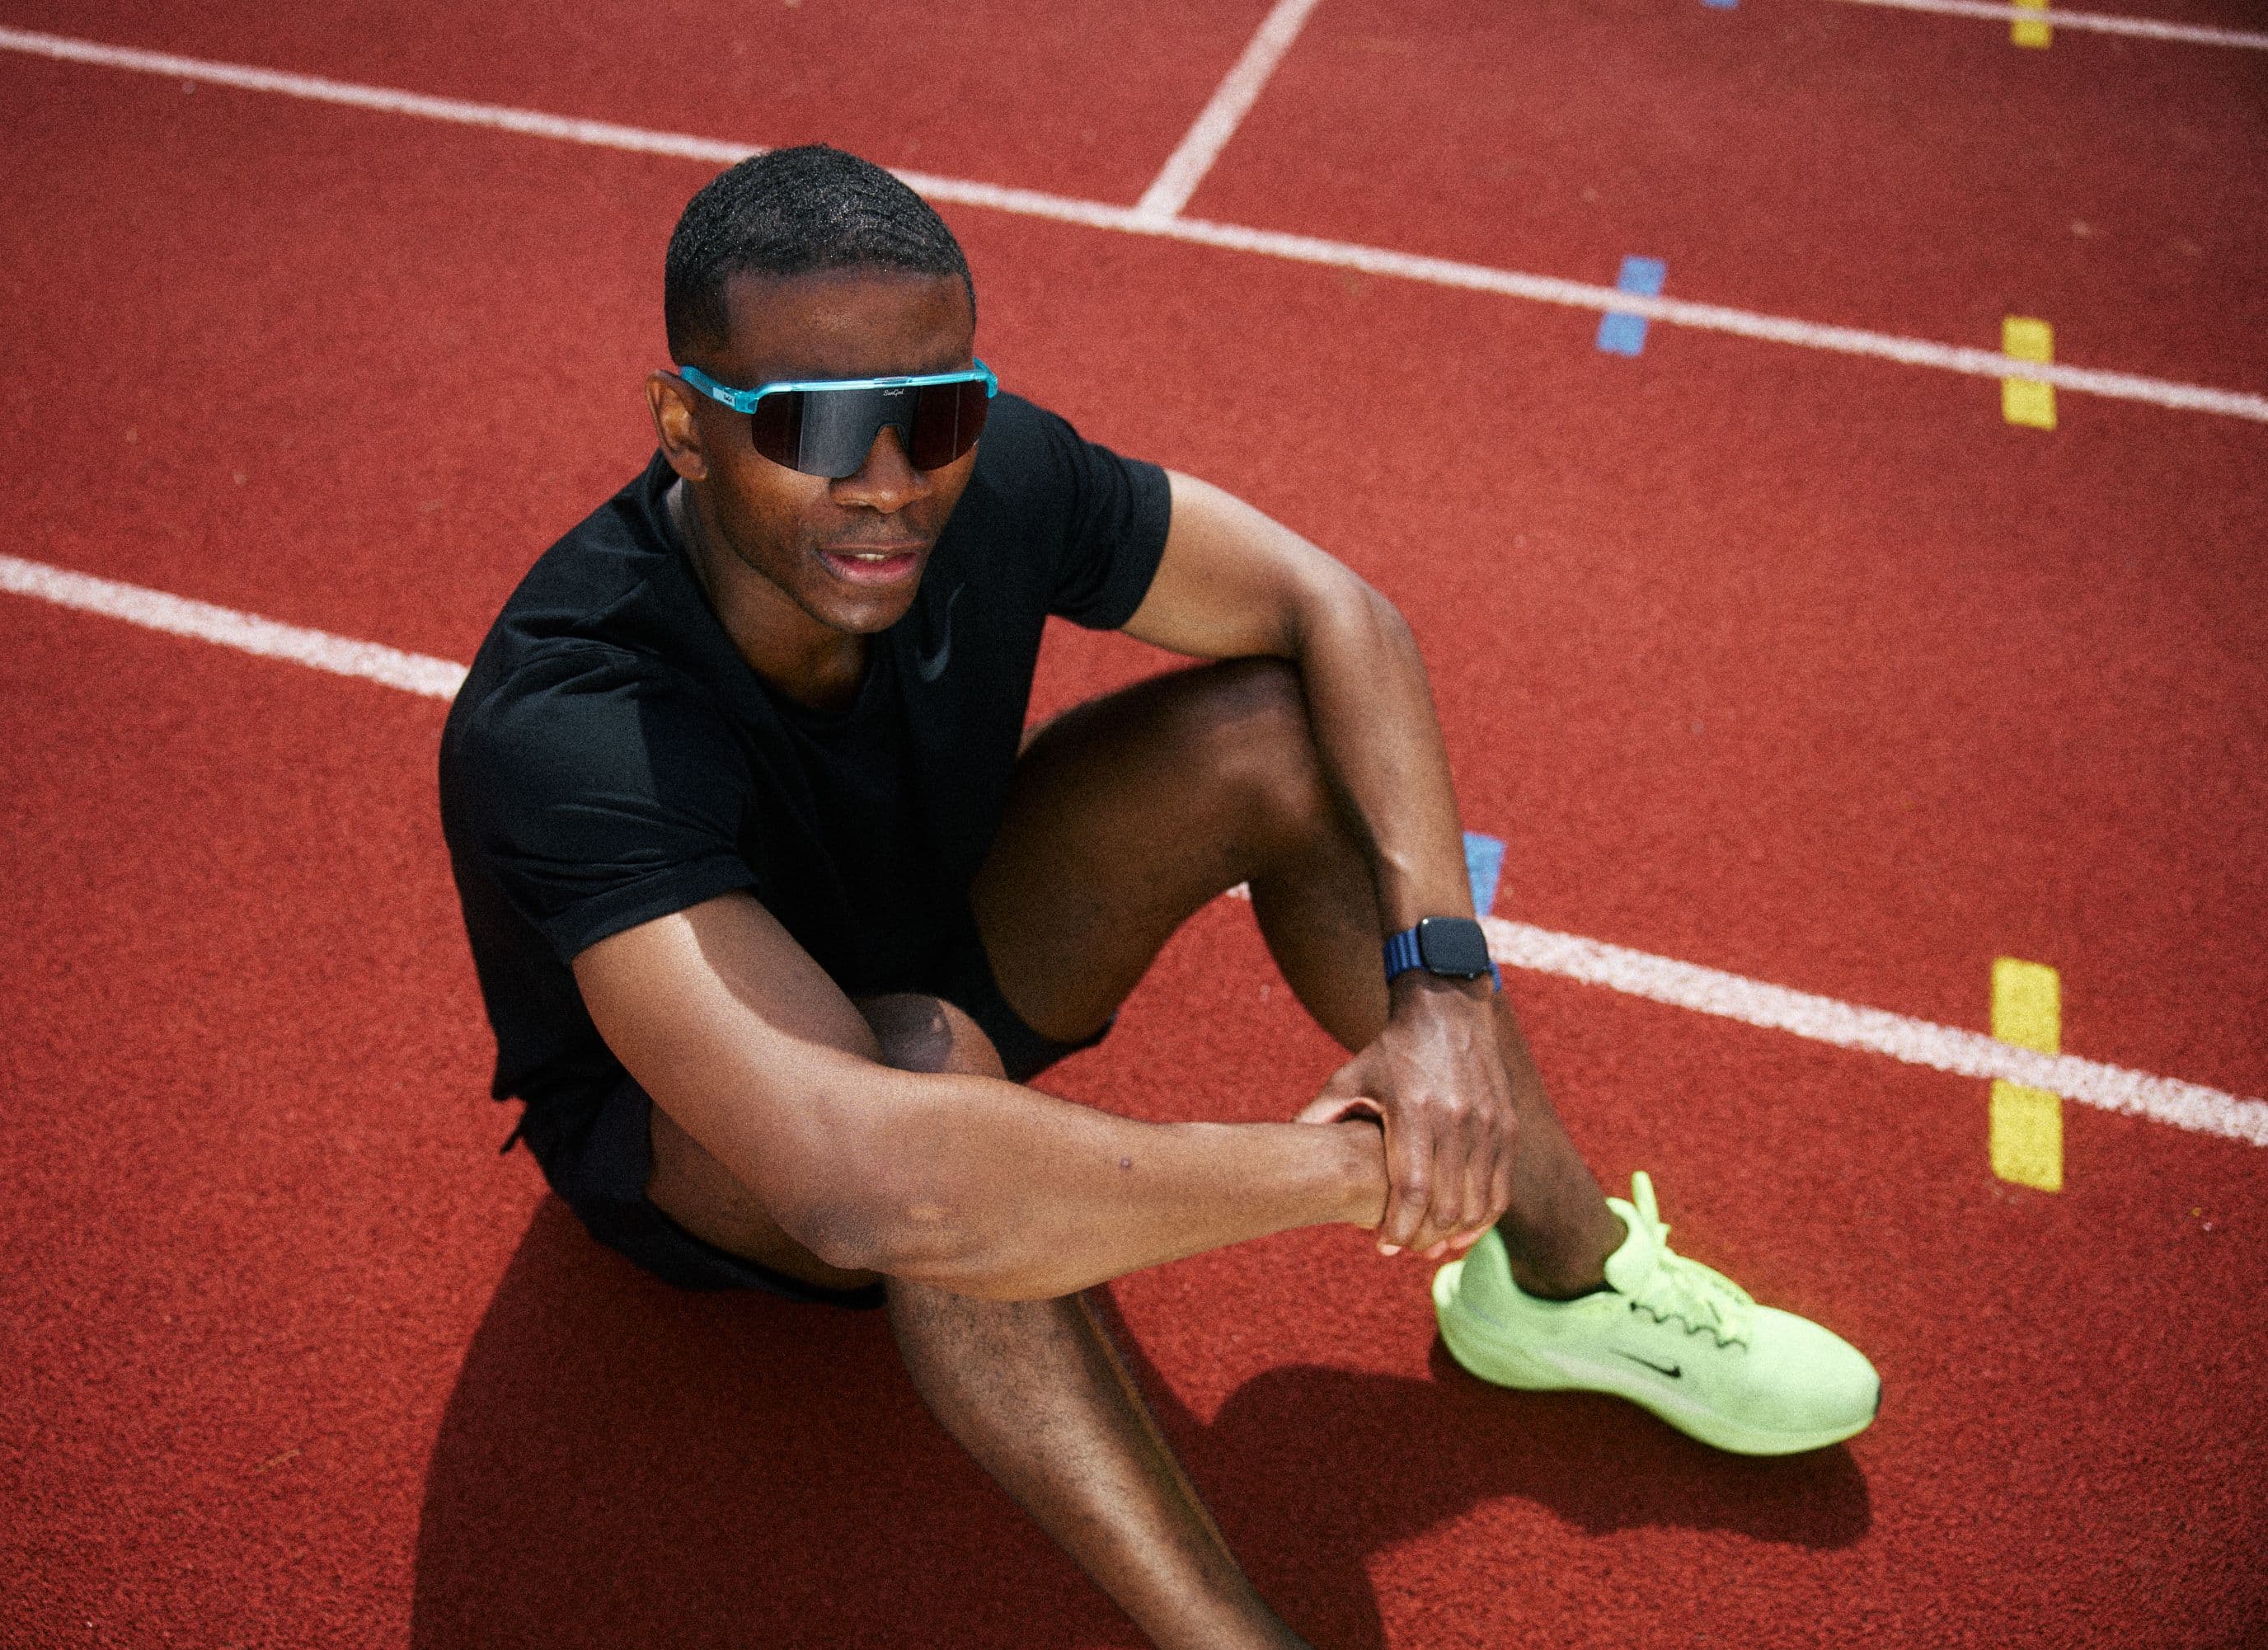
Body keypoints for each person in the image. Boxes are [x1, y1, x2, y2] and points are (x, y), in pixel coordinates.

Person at [439, 144, 1876, 1648]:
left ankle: (1564, 1283)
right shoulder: (575, 717)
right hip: (726, 1144)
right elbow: (866, 1179)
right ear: (684, 424)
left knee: (1268, 734)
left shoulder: (974, 484)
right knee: (928, 1081)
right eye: (814, 427)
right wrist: (1361, 1167)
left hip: (931, 957)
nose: (889, 485)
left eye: (937, 416)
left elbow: (1339, 608)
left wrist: (1442, 995)